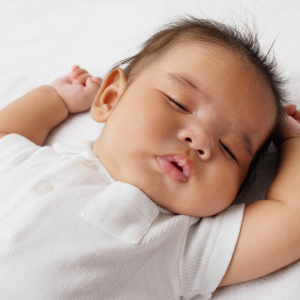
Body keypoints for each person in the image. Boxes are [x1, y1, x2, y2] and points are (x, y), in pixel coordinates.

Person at [0, 17, 299, 300]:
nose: (201, 140)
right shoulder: (31, 162)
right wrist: (54, 99)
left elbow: (291, 221)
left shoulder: (179, 243)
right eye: (179, 103)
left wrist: (292, 139)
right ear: (110, 98)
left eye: (229, 148)